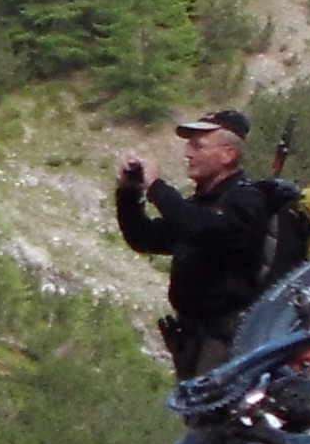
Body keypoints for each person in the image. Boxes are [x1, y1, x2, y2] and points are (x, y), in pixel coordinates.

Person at [116, 107, 299, 377]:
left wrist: (156, 186)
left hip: (226, 346)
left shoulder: (246, 201)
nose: (188, 154)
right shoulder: (201, 205)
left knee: (216, 405)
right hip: (194, 341)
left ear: (228, 154)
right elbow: (143, 237)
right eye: (189, 146)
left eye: (198, 146)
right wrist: (128, 192)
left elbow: (199, 227)